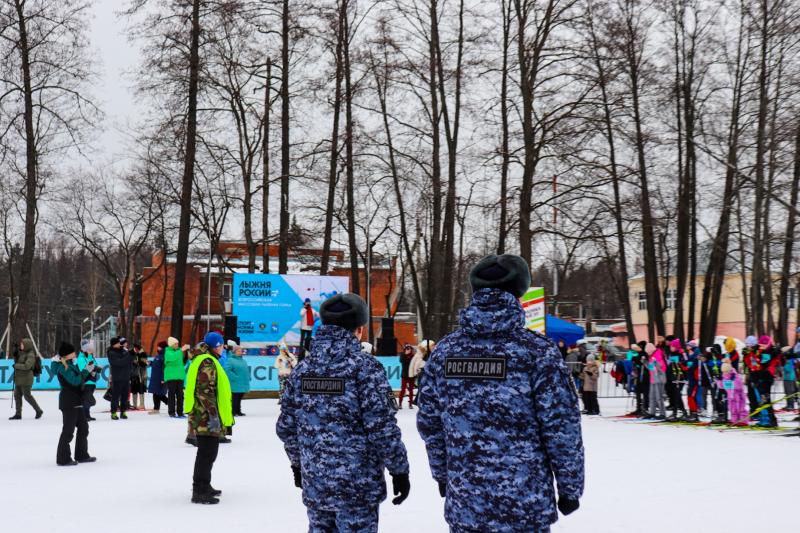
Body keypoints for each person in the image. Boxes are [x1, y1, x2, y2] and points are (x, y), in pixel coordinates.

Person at [417, 254, 583, 533]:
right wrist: (570, 487)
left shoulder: (445, 351)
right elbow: (561, 427)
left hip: (466, 503)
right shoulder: (537, 352)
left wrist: (443, 475)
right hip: (524, 504)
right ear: (519, 293)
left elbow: (430, 423)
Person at [277, 293, 410, 532]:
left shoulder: (302, 370)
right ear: (359, 330)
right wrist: (399, 469)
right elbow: (382, 427)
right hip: (357, 489)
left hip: (316, 484)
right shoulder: (366, 368)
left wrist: (297, 464)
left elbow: (287, 426)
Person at [184, 332, 234, 504]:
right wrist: (213, 415)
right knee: (206, 453)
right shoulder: (207, 361)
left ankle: (205, 484)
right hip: (205, 416)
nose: (223, 348)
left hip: (203, 414)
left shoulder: (206, 359)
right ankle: (199, 490)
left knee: (209, 452)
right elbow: (205, 391)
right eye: (220, 345)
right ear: (215, 346)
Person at [53, 342, 97, 466]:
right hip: (69, 401)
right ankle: (63, 458)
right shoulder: (63, 367)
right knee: (68, 431)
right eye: (72, 352)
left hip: (76, 400)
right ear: (67, 355)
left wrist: (90, 372)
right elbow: (75, 381)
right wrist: (86, 371)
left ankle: (81, 455)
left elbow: (80, 378)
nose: (75, 353)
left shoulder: (71, 364)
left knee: (83, 428)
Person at [9, 338, 43, 420]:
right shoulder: (22, 353)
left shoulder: (31, 355)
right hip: (19, 378)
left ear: (27, 345)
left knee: (27, 396)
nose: (21, 346)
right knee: (17, 395)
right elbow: (17, 362)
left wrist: (16, 366)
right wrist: (15, 354)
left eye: (22, 344)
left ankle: (38, 410)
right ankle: (18, 414)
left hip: (26, 379)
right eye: (21, 344)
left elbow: (27, 366)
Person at [107, 337, 132, 420]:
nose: (119, 344)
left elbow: (129, 361)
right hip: (117, 378)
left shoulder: (123, 350)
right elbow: (120, 362)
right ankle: (113, 413)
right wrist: (129, 356)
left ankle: (123, 411)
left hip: (126, 377)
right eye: (118, 343)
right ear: (114, 344)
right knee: (115, 396)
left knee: (125, 396)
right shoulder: (111, 353)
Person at [165, 336, 190, 418]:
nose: (177, 345)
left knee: (180, 395)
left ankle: (180, 412)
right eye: (175, 344)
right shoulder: (168, 352)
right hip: (171, 377)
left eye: (177, 344)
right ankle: (171, 412)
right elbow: (173, 357)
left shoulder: (178, 351)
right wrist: (181, 350)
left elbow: (183, 361)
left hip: (180, 376)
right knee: (171, 395)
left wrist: (186, 353)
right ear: (171, 344)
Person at [224, 343, 250, 417]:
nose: (241, 352)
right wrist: (235, 377)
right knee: (234, 398)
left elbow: (245, 370)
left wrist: (248, 377)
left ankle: (238, 411)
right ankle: (233, 411)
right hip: (235, 383)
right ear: (234, 352)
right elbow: (227, 370)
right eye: (239, 351)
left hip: (242, 382)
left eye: (241, 350)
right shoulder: (230, 360)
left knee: (239, 397)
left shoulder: (243, 361)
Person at [718, 358, 747, 425]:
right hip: (730, 397)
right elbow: (721, 386)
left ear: (729, 370)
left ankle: (743, 421)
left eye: (726, 371)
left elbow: (739, 385)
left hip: (739, 396)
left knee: (741, 409)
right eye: (723, 372)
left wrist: (734, 381)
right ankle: (734, 420)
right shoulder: (724, 377)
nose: (725, 373)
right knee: (732, 409)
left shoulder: (735, 376)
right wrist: (719, 380)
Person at [76, 340, 98, 421]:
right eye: (88, 348)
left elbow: (94, 364)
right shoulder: (81, 358)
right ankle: (84, 415)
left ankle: (87, 415)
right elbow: (83, 369)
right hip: (86, 382)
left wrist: (94, 367)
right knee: (87, 400)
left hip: (92, 381)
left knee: (87, 400)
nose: (90, 350)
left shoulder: (90, 356)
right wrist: (93, 367)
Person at [149, 341, 168, 412]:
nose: (158, 348)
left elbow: (165, 368)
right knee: (156, 393)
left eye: (159, 346)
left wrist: (163, 378)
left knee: (159, 394)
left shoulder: (164, 356)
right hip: (155, 378)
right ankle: (156, 408)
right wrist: (151, 363)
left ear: (163, 347)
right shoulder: (158, 355)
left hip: (160, 378)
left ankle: (170, 403)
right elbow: (156, 364)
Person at [130, 344, 148, 410]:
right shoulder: (130, 354)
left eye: (138, 349)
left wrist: (139, 361)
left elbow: (145, 363)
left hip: (141, 374)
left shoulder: (143, 354)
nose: (136, 351)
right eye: (135, 349)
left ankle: (142, 404)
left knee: (141, 388)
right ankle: (135, 405)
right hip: (133, 374)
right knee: (134, 389)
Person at [398, 343, 416, 409]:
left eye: (410, 349)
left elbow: (414, 363)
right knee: (403, 389)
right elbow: (401, 361)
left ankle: (410, 404)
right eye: (407, 349)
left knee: (411, 390)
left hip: (411, 375)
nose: (409, 350)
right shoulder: (402, 355)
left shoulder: (413, 356)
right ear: (405, 349)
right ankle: (400, 403)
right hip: (404, 375)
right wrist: (405, 354)